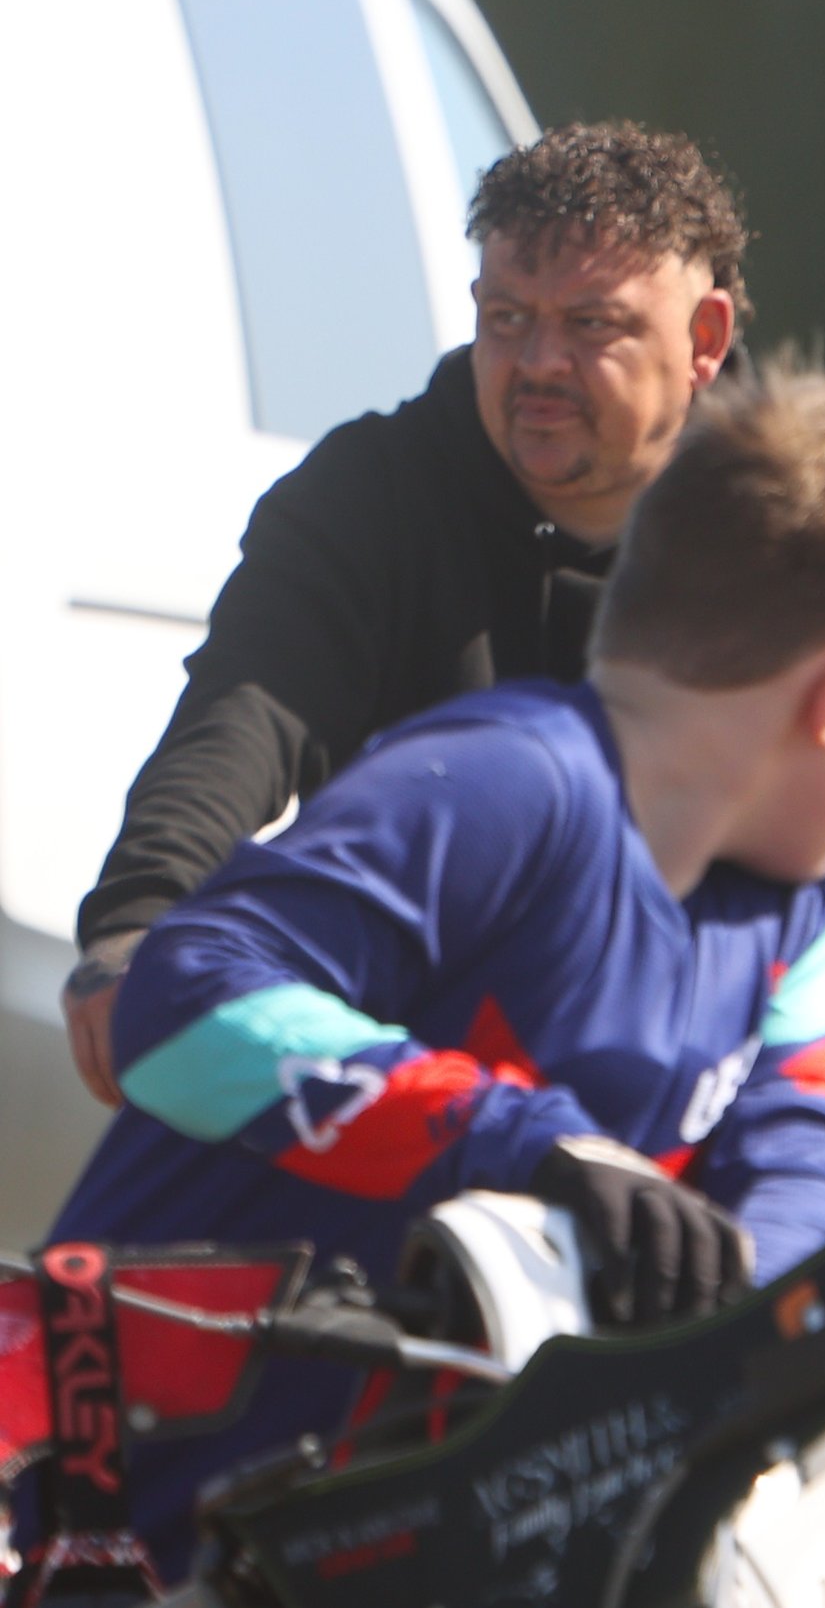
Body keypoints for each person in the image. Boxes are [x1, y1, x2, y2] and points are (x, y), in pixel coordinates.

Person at [18, 358, 825, 1582]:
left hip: (396, 1535)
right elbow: (174, 1008)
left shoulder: (795, 910)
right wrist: (531, 1143)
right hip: (110, 1515)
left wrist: (744, 1311)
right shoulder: (514, 783)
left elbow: (807, 1149)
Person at [61, 121, 749, 1107]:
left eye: (592, 323)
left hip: (703, 1078)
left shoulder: (789, 538)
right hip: (408, 1078)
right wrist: (142, 925)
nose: (540, 361)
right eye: (506, 317)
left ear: (704, 340)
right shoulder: (371, 494)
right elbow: (246, 714)